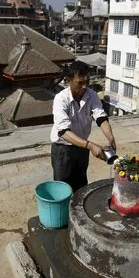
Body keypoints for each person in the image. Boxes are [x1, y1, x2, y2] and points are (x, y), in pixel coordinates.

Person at [50, 61, 116, 192]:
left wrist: (110, 137)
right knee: (63, 187)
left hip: (81, 148)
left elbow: (100, 117)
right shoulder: (60, 99)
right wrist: (91, 146)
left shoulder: (91, 95)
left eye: (87, 82)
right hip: (63, 149)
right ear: (69, 80)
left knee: (81, 184)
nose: (85, 87)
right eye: (80, 83)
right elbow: (63, 132)